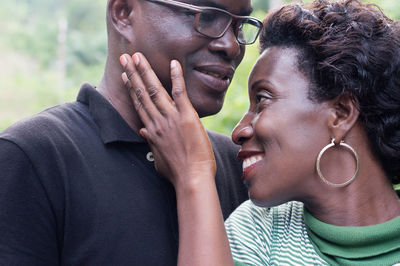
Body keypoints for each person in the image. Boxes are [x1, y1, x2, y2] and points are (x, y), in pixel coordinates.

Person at [121, 0, 400, 265]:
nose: (239, 131)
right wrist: (194, 175)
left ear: (341, 113)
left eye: (263, 99)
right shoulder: (257, 234)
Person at [0, 0, 263, 264]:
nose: (231, 46)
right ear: (123, 13)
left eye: (239, 26)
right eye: (206, 17)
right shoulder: (34, 157)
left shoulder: (239, 164)